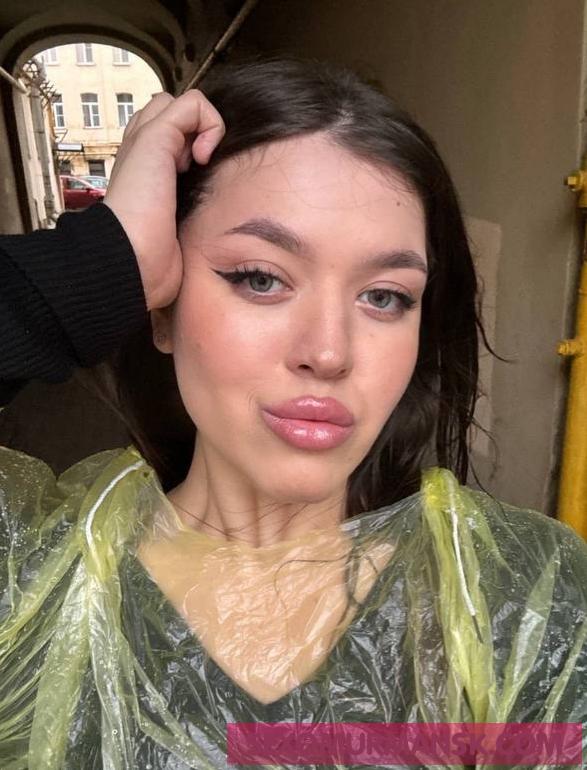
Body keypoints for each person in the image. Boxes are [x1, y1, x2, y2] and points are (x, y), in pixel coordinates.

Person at [0, 59, 585, 770]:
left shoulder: (520, 596)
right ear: (161, 304)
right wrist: (94, 264)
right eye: (260, 278)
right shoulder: (26, 576)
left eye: (384, 297)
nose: (329, 352)